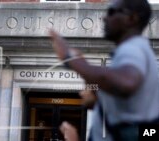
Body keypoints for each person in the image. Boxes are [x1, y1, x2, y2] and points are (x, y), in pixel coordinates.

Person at [50, 0, 159, 141]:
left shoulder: (133, 48)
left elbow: (126, 82)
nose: (104, 17)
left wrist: (71, 59)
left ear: (132, 18)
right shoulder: (133, 51)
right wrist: (99, 100)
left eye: (112, 12)